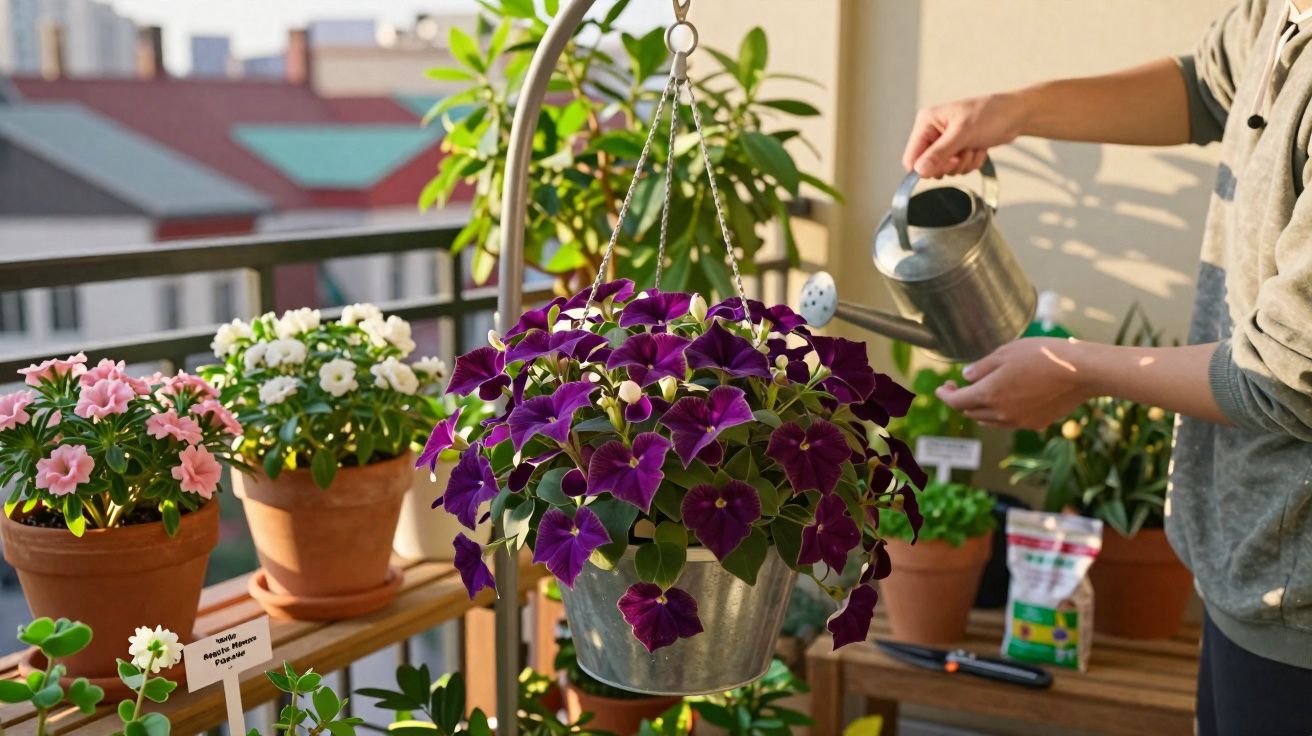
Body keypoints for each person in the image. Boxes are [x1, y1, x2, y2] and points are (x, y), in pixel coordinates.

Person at [901, 1, 1312, 733]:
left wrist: (1075, 369)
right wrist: (1013, 110)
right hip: (1245, 565)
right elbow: (1204, 85)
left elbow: (1284, 373)